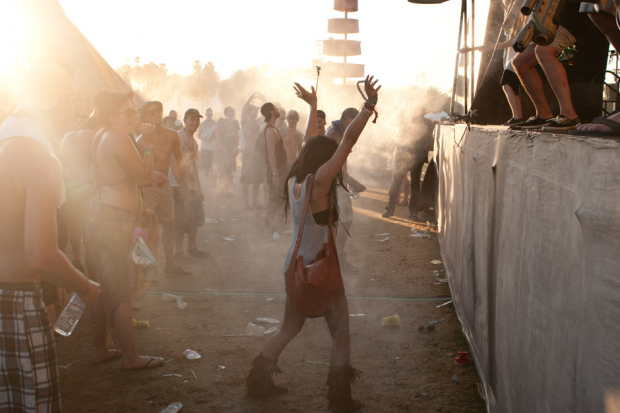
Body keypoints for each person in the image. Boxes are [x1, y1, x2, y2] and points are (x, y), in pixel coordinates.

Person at [246, 76, 380, 413]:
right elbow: (346, 141)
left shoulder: (296, 178)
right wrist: (368, 107)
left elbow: (311, 142)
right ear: (326, 159)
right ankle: (340, 400)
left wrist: (313, 107)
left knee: (289, 327)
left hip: (294, 266)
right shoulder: (320, 183)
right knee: (342, 335)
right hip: (320, 271)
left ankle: (258, 378)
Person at [0, 64, 101, 412]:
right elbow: (40, 255)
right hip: (12, 305)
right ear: (58, 103)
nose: (73, 114)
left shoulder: (4, 141)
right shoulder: (38, 157)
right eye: (72, 103)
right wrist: (84, 286)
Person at [85, 90, 164, 370]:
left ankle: (100, 349)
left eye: (134, 111)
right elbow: (143, 177)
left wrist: (140, 208)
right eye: (129, 112)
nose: (135, 116)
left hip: (105, 217)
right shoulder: (118, 137)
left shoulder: (102, 134)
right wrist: (151, 146)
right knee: (121, 291)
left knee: (106, 288)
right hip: (115, 225)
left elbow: (116, 180)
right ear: (111, 116)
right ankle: (130, 357)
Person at [510, 4, 588, 131]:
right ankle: (544, 115)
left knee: (544, 50)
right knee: (520, 62)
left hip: (576, 9)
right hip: (551, 13)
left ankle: (569, 115)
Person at [136, 101, 191, 276]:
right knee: (146, 227)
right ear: (144, 118)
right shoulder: (140, 140)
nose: (156, 114)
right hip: (147, 188)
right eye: (151, 112)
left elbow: (179, 161)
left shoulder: (172, 136)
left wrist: (185, 185)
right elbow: (136, 168)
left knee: (169, 224)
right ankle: (146, 270)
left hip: (165, 186)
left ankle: (170, 265)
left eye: (158, 111)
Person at [325, 108, 367, 269]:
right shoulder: (334, 134)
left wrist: (349, 181)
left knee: (344, 220)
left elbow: (341, 164)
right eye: (354, 122)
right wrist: (352, 181)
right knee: (342, 220)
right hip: (332, 183)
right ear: (347, 119)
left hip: (338, 182)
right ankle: (335, 258)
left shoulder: (341, 132)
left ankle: (337, 256)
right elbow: (333, 166)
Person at [382, 108, 434, 219]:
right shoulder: (428, 123)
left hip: (404, 157)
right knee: (414, 185)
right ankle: (413, 212)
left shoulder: (408, 121)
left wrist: (396, 154)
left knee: (396, 182)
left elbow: (399, 139)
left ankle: (390, 209)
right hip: (415, 157)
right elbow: (427, 143)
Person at [170, 109, 207, 259]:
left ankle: (192, 248)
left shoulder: (193, 142)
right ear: (184, 120)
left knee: (195, 217)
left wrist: (198, 188)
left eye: (197, 120)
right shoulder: (179, 137)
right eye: (191, 119)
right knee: (180, 219)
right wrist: (182, 186)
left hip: (190, 185)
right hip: (178, 185)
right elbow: (174, 163)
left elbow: (193, 167)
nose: (195, 123)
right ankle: (178, 252)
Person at [261, 102, 288, 234]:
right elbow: (271, 153)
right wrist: (275, 173)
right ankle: (270, 225)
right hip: (276, 171)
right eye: (275, 108)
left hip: (280, 170)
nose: (278, 109)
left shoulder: (273, 128)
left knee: (277, 197)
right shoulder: (270, 130)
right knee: (273, 198)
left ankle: (270, 223)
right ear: (271, 112)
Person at [240, 95, 265, 210]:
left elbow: (266, 114)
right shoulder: (245, 122)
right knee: (246, 180)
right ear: (249, 112)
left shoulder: (257, 122)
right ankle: (245, 203)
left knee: (256, 180)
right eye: (253, 110)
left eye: (256, 110)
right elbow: (242, 112)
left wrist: (264, 101)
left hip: (257, 155)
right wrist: (249, 99)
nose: (256, 112)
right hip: (248, 154)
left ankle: (255, 202)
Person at [216, 107, 240, 196]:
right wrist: (222, 148)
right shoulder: (222, 123)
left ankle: (227, 190)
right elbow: (218, 138)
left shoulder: (236, 123)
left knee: (229, 170)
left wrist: (236, 147)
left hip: (231, 149)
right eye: (230, 111)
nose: (232, 113)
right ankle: (222, 190)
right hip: (223, 150)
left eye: (233, 111)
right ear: (226, 113)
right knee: (223, 169)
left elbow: (237, 136)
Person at [197, 108, 217, 186]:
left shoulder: (215, 123)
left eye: (211, 114)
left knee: (212, 165)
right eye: (208, 114)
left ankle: (211, 180)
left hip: (213, 147)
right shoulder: (202, 124)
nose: (210, 116)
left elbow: (218, 134)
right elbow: (198, 135)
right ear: (205, 115)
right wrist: (205, 139)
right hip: (205, 147)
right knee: (206, 165)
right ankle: (207, 180)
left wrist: (214, 137)